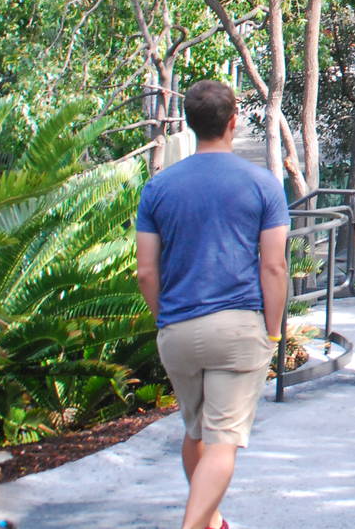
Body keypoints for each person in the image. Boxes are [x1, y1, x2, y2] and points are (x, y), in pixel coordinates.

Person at [135, 80, 289, 529]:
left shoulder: (158, 187)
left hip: (178, 328)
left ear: (189, 122)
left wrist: (165, 319)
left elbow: (146, 271)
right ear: (233, 120)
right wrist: (273, 330)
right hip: (239, 327)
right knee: (223, 443)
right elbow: (274, 267)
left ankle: (212, 521)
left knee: (196, 432)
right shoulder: (263, 184)